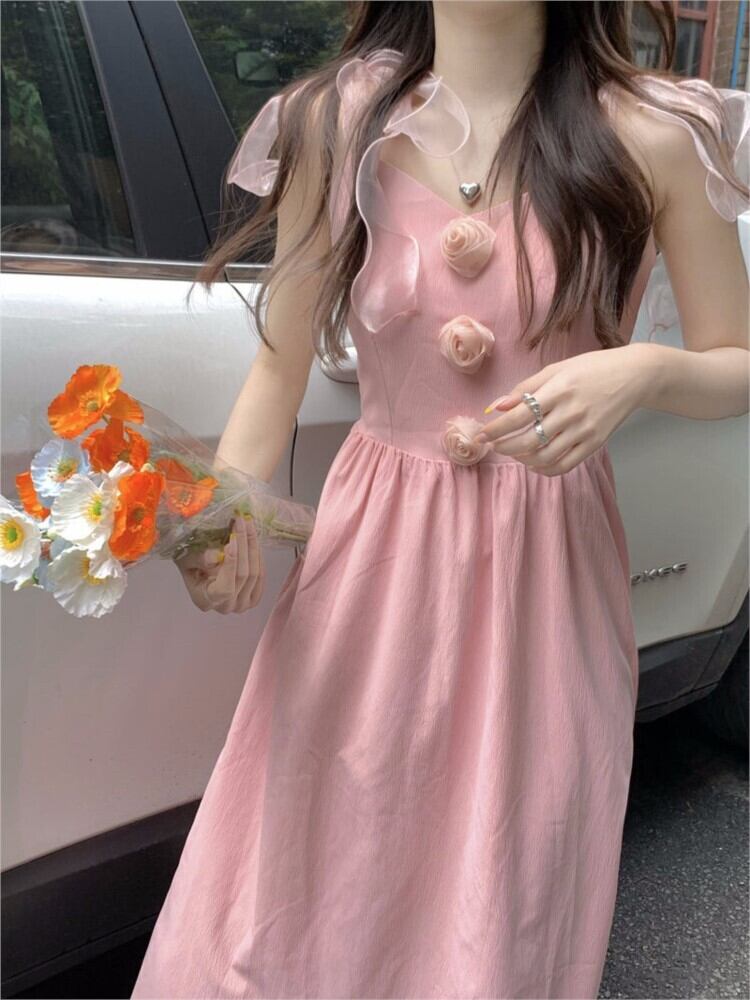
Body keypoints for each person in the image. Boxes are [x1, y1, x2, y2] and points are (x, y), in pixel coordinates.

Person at [131, 2, 750, 997]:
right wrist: (222, 517)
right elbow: (278, 371)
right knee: (314, 876)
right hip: (370, 579)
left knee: (508, 890)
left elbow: (738, 361)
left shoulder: (655, 135)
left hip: (546, 586)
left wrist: (641, 371)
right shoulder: (338, 124)